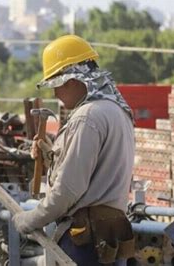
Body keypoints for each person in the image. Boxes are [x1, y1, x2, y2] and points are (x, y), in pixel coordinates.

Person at [12, 35, 136, 265]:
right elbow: (97, 172)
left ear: (71, 80)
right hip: (108, 236)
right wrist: (51, 156)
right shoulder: (117, 111)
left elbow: (68, 190)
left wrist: (29, 220)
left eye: (56, 85)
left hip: (84, 241)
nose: (55, 94)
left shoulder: (86, 117)